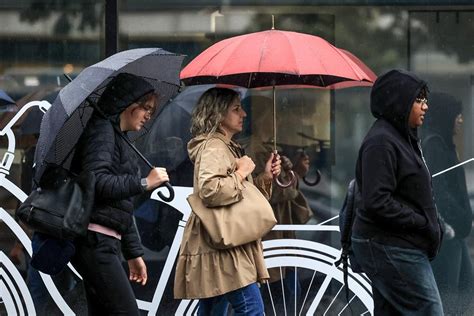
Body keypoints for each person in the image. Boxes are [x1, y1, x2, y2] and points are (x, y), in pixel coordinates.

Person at [174, 87, 282, 315]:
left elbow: (240, 197)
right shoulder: (214, 147)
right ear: (218, 114)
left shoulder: (224, 146)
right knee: (252, 309)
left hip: (221, 243)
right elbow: (210, 190)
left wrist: (264, 177)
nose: (243, 114)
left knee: (214, 311)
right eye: (236, 109)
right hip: (223, 247)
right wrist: (241, 172)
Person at [69, 73, 170, 315]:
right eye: (146, 108)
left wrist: (133, 252)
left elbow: (121, 206)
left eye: (151, 111)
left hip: (106, 242)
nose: (148, 116)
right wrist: (145, 182)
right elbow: (99, 183)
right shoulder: (103, 131)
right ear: (129, 104)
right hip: (95, 242)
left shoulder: (120, 139)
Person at [351, 69, 444, 315]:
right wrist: (422, 222)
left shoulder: (402, 137)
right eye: (418, 100)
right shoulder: (382, 142)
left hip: (398, 243)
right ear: (399, 102)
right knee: (430, 311)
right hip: (389, 244)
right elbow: (376, 201)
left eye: (425, 99)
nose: (425, 106)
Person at [421, 92, 473, 314]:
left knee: (464, 289)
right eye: (456, 114)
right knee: (450, 296)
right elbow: (440, 193)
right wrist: (460, 217)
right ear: (445, 116)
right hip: (447, 235)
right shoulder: (434, 145)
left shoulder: (443, 144)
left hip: (455, 235)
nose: (460, 119)